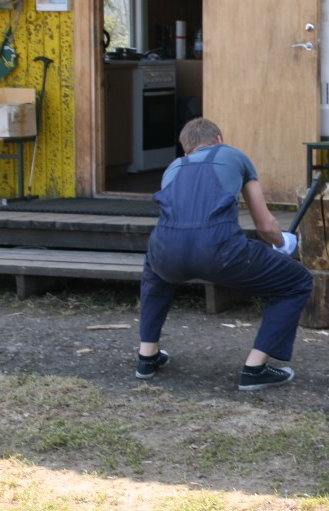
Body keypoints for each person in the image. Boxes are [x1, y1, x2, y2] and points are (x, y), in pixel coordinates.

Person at [134, 117, 314, 390]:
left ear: (186, 151)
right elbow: (265, 226)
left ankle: (147, 356)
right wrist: (284, 242)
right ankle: (255, 369)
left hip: (166, 249)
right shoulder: (234, 156)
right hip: (219, 250)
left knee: (154, 270)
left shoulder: (173, 167)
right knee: (297, 281)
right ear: (219, 140)